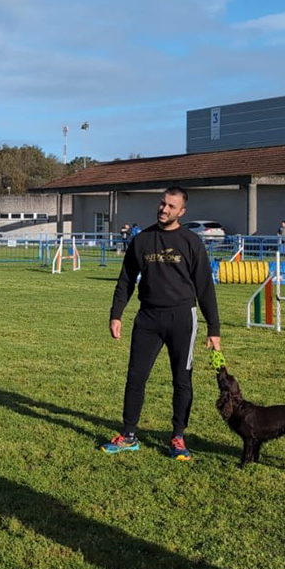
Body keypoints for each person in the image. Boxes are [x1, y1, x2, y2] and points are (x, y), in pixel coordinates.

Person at [104, 187, 221, 461]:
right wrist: (116, 313)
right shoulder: (141, 240)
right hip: (148, 318)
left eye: (171, 206)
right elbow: (125, 280)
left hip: (182, 317)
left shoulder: (191, 242)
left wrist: (214, 329)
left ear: (181, 212)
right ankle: (129, 435)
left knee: (182, 380)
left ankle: (178, 437)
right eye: (162, 203)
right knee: (135, 377)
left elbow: (205, 288)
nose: (164, 209)